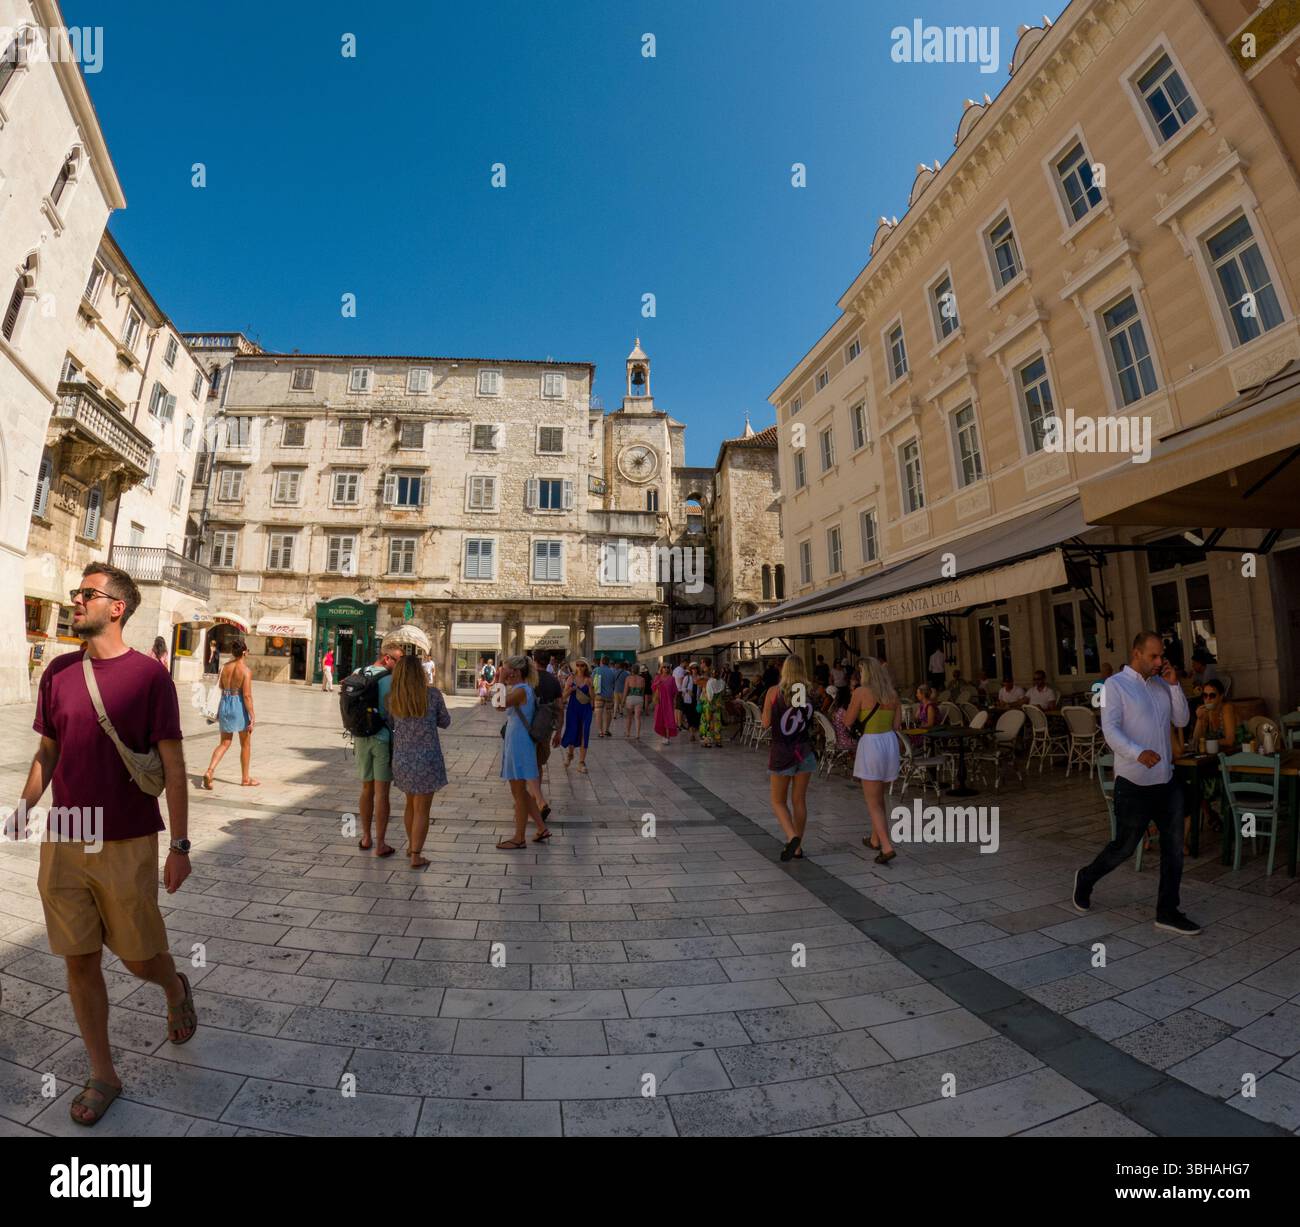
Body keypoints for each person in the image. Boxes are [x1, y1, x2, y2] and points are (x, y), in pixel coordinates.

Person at [19, 563, 194, 1126]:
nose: (76, 601)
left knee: (140, 958)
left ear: (116, 607)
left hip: (126, 837)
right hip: (67, 834)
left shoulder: (149, 677)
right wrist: (24, 809)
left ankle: (172, 983)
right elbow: (48, 750)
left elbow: (172, 764)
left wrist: (181, 845)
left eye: (86, 594)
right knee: (79, 958)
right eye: (76, 593)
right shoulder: (59, 672)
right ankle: (103, 1073)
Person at [1074, 631, 1198, 934]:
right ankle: (1086, 878)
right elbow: (1110, 730)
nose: (1159, 662)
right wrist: (1137, 752)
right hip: (1133, 783)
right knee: (1124, 847)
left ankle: (1167, 911)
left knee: (1173, 849)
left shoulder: (1160, 685)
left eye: (1161, 656)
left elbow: (1181, 721)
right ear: (1137, 653)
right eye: (1153, 656)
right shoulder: (1115, 686)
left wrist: (1174, 685)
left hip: (1165, 781)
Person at [388, 653, 450, 870]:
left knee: (410, 805)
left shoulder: (393, 697)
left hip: (403, 758)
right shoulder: (432, 695)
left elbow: (389, 722)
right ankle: (416, 854)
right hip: (427, 759)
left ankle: (410, 846)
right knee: (423, 809)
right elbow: (445, 722)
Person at [847, 656, 902, 865]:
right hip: (889, 743)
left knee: (872, 802)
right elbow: (897, 725)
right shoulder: (892, 694)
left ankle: (887, 847)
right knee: (879, 797)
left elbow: (848, 721)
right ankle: (875, 839)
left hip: (871, 744)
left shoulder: (861, 692)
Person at [762, 655, 817, 861]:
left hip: (782, 752)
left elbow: (766, 723)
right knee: (799, 800)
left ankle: (791, 835)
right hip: (804, 750)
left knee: (777, 801)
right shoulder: (808, 693)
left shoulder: (774, 692)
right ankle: (797, 847)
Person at [497, 655, 550, 849]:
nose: (504, 672)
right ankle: (541, 827)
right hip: (516, 741)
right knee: (520, 791)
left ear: (517, 672)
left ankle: (519, 838)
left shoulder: (522, 690)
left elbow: (498, 705)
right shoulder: (520, 689)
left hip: (519, 742)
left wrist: (500, 681)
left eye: (506, 669)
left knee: (518, 792)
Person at [352, 648, 398, 858]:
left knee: (365, 788)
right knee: (382, 792)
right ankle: (380, 843)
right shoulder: (389, 680)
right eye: (397, 661)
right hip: (382, 738)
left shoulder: (358, 672)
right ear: (386, 658)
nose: (398, 666)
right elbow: (393, 712)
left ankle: (365, 837)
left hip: (360, 738)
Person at [200, 639, 258, 788]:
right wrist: (252, 715)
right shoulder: (245, 671)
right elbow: (246, 696)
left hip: (225, 703)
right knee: (245, 743)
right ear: (244, 652)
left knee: (225, 743)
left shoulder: (224, 667)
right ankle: (245, 779)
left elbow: (220, 686)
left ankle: (210, 770)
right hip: (238, 706)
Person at [530, 663, 563, 821]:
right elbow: (560, 707)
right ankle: (538, 796)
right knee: (538, 763)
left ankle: (537, 799)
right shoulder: (553, 680)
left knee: (531, 763)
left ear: (535, 662)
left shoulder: (530, 679)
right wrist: (559, 731)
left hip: (529, 725)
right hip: (547, 725)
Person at [561, 659, 594, 772]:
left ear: (586, 667)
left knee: (585, 733)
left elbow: (592, 698)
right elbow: (563, 697)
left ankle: (581, 762)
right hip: (573, 709)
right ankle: (570, 754)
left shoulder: (589, 679)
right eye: (578, 665)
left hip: (585, 709)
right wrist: (570, 689)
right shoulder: (571, 679)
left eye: (582, 665)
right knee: (573, 732)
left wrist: (590, 687)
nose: (579, 667)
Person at [1190, 678, 1237, 753]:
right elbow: (1196, 740)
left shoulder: (1226, 708)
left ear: (1221, 697)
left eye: (1212, 695)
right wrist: (1199, 719)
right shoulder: (1207, 712)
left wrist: (1206, 742)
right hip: (1221, 752)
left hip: (1238, 749)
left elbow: (1230, 741)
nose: (1208, 699)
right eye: (1205, 695)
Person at [699, 662, 726, 747]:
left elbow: (709, 696)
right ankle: (718, 741)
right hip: (718, 705)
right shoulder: (722, 682)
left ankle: (708, 741)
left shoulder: (710, 682)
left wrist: (704, 694)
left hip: (709, 705)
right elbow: (723, 693)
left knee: (708, 722)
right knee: (717, 722)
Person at [652, 664, 679, 743]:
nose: (666, 669)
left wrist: (674, 700)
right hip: (659, 702)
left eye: (668, 667)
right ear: (661, 668)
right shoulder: (658, 677)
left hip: (668, 702)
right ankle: (663, 736)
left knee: (668, 719)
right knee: (660, 719)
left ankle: (667, 737)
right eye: (664, 667)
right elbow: (653, 687)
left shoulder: (672, 678)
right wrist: (657, 684)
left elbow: (675, 691)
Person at [592, 656, 618, 737]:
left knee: (599, 713)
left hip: (598, 695)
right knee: (608, 712)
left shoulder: (596, 670)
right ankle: (607, 730)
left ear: (601, 662)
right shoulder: (612, 671)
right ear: (608, 662)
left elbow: (592, 681)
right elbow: (614, 683)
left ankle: (600, 732)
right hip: (609, 695)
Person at [624, 664, 647, 739]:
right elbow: (643, 692)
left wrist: (622, 700)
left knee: (629, 717)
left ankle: (628, 732)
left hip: (630, 698)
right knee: (637, 717)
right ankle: (637, 734)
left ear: (632, 670)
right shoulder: (642, 679)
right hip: (639, 698)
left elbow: (626, 690)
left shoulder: (628, 678)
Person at [680, 664, 701, 743]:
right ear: (691, 669)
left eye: (696, 668)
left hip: (697, 701)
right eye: (693, 669)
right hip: (688, 701)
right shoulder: (687, 678)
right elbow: (682, 688)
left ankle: (694, 733)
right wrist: (688, 691)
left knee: (696, 718)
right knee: (690, 718)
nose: (694, 670)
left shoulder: (700, 678)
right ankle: (692, 734)